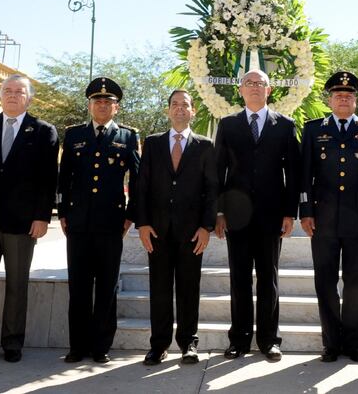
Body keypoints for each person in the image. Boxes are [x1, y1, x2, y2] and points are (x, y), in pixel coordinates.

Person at [0, 74, 59, 364]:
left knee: (17, 284)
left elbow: (48, 180)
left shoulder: (44, 131)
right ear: (0, 95)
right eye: (7, 90)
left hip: (22, 223)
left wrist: (42, 217)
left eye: (19, 91)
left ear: (29, 98)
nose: (12, 95)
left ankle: (12, 342)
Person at [214, 69, 301, 361]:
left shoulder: (285, 125)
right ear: (240, 90)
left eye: (259, 83)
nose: (254, 87)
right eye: (249, 83)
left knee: (268, 278)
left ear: (269, 89)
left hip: (271, 216)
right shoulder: (227, 125)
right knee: (239, 278)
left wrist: (290, 212)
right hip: (236, 216)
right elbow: (218, 171)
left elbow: (294, 173)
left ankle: (268, 340)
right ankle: (238, 339)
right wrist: (219, 211)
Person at [300, 71, 358, 363]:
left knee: (355, 282)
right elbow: (305, 175)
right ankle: (331, 344)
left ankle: (352, 344)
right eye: (338, 95)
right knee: (325, 282)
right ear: (330, 100)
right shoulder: (312, 130)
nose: (343, 99)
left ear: (355, 100)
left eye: (348, 96)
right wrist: (305, 211)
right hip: (322, 220)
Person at [57, 77, 140, 364]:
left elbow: (138, 181)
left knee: (107, 286)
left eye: (108, 102)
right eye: (97, 101)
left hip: (111, 223)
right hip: (78, 223)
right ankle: (77, 346)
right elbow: (63, 178)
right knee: (78, 286)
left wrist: (130, 217)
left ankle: (101, 345)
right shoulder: (74, 134)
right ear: (90, 105)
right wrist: (63, 213)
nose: (102, 106)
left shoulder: (128, 137)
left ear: (116, 107)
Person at [134, 89, 217, 366]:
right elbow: (141, 187)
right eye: (175, 104)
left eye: (185, 105)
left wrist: (206, 227)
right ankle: (158, 345)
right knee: (159, 289)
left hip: (192, 232)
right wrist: (142, 224)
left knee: (188, 289)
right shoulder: (153, 143)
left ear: (193, 111)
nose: (180, 109)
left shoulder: (205, 146)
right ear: (168, 111)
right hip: (157, 231)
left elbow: (211, 190)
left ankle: (188, 344)